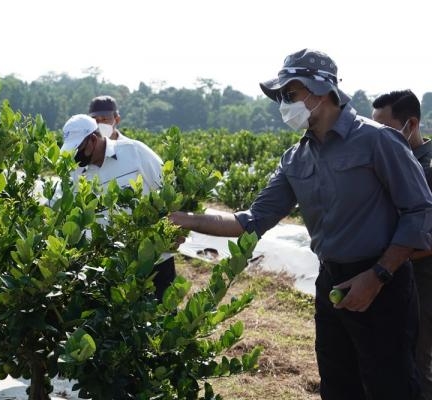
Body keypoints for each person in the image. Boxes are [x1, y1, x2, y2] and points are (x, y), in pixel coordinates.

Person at [169, 49, 432, 400]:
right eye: (281, 97)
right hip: (332, 282)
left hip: (382, 284)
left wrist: (378, 275)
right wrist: (184, 220)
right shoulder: (295, 158)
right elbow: (252, 220)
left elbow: (419, 211)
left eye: (289, 94)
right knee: (338, 384)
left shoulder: (378, 141)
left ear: (320, 91)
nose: (283, 104)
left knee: (392, 385)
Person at [61, 114, 175, 300]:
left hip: (154, 259)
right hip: (111, 266)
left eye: (78, 149)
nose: (75, 155)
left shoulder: (134, 152)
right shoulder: (77, 173)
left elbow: (170, 190)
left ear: (92, 139)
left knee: (162, 316)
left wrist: (177, 232)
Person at [372, 89, 432, 400]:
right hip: (388, 277)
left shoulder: (428, 167)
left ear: (410, 123)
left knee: (416, 363)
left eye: (385, 127)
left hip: (422, 282)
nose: (377, 135)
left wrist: (390, 260)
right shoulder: (384, 163)